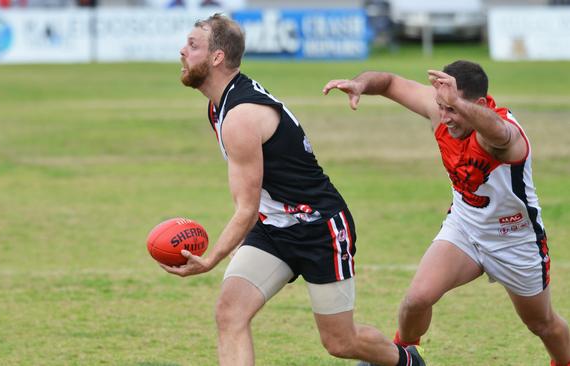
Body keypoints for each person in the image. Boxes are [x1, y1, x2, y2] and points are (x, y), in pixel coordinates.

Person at [159, 13, 425, 366]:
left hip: (320, 228)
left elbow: (245, 209)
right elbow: (255, 206)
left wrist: (210, 260)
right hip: (273, 228)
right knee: (230, 313)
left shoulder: (241, 115)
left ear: (217, 57)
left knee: (340, 341)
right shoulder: (219, 106)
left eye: (193, 46)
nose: (182, 51)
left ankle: (404, 361)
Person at [323, 60, 570, 365]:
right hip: (465, 229)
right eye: (441, 106)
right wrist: (361, 84)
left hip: (514, 240)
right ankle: (404, 358)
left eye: (452, 109)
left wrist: (456, 103)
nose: (444, 117)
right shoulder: (442, 110)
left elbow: (499, 132)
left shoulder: (503, 135)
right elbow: (388, 82)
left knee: (542, 324)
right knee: (416, 300)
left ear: (478, 104)